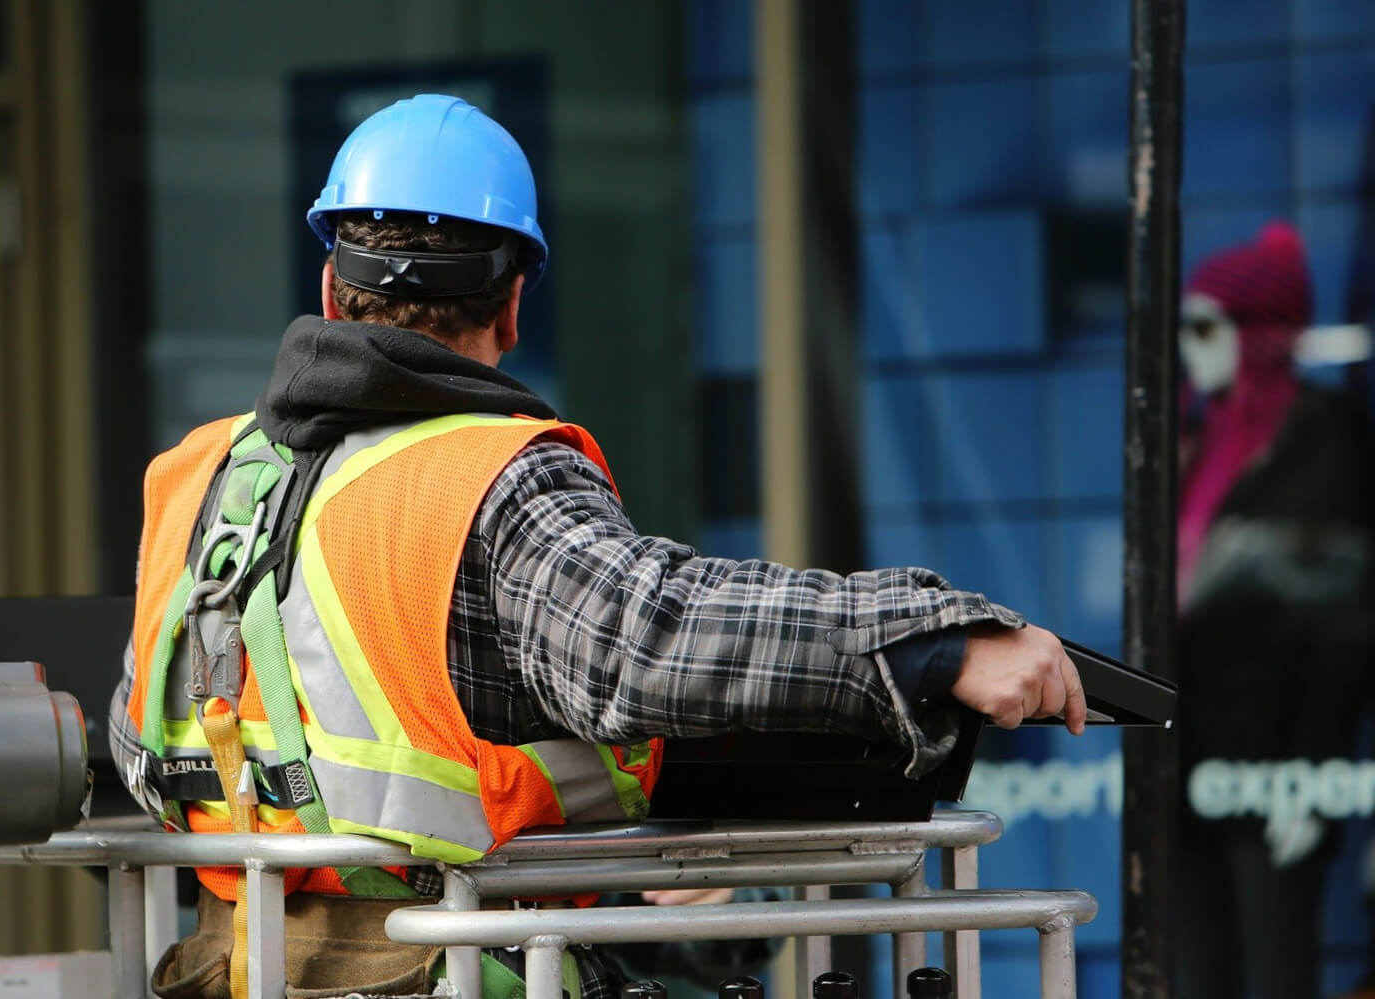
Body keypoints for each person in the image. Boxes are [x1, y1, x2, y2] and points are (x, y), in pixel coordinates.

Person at [109, 93, 1086, 999]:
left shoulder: (196, 476)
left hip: (238, 968)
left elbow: (140, 736)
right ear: (513, 304)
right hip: (448, 971)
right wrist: (936, 640)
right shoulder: (488, 478)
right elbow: (644, 637)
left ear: (329, 286)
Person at [1170, 223, 1375, 999]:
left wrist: (1313, 772)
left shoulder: (1323, 442)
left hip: (1276, 764)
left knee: (1276, 970)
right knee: (1200, 974)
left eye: (1205, 326)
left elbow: (1341, 627)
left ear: (1258, 332)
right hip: (1189, 758)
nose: (1191, 347)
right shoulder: (1192, 441)